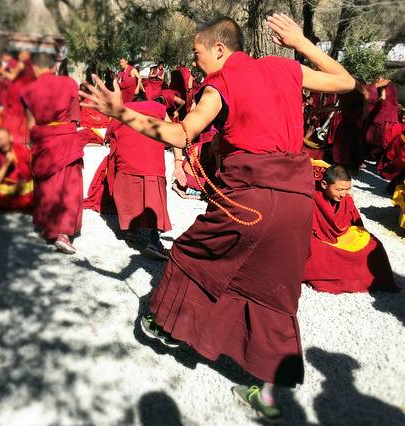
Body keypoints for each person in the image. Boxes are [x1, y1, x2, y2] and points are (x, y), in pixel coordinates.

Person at [81, 14, 355, 422]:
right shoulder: (284, 67)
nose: (195, 62)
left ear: (220, 49)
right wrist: (301, 43)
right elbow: (346, 82)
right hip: (298, 202)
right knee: (274, 293)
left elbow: (181, 134)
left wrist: (121, 112)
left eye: (197, 53)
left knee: (192, 253)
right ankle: (268, 396)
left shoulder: (220, 84)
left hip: (251, 201)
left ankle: (168, 327)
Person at [21, 52, 83, 254]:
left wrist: (31, 145)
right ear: (53, 67)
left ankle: (46, 227)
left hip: (43, 140)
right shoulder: (70, 83)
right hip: (66, 139)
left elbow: (29, 123)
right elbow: (75, 117)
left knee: (47, 186)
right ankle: (63, 234)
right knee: (68, 187)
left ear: (34, 68)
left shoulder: (28, 90)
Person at [302, 164, 398, 294]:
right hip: (318, 237)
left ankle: (371, 280)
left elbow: (355, 222)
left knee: (374, 245)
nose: (344, 194)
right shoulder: (311, 197)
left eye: (347, 189)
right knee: (316, 249)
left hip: (341, 234)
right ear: (324, 184)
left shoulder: (346, 198)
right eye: (339, 189)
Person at [104, 94, 171, 259]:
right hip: (151, 164)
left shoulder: (122, 111)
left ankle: (131, 231)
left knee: (130, 195)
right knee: (155, 201)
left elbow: (108, 138)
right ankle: (154, 242)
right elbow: (171, 132)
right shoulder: (158, 108)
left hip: (127, 164)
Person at [1, 50, 36, 144]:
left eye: (21, 53)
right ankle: (26, 139)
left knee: (16, 116)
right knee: (27, 117)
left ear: (26, 55)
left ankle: (15, 138)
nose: (19, 55)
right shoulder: (33, 66)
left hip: (18, 94)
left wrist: (1, 71)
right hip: (29, 93)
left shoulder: (21, 64)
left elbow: (11, 77)